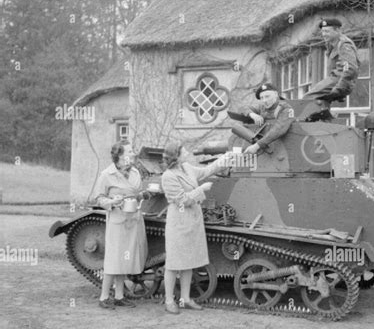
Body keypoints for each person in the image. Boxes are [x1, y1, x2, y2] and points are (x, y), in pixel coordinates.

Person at [160, 142, 228, 315]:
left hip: (192, 221)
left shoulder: (187, 168)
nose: (187, 152)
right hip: (179, 223)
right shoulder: (168, 176)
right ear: (176, 156)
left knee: (188, 262)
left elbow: (206, 171)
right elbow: (182, 200)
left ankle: (186, 298)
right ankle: (169, 300)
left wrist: (226, 158)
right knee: (174, 263)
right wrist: (201, 189)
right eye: (184, 151)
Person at [96, 141, 151, 309]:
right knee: (114, 259)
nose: (133, 153)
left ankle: (119, 296)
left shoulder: (135, 172)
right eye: (130, 151)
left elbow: (135, 194)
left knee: (124, 259)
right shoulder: (107, 174)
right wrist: (112, 202)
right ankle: (104, 297)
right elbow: (99, 198)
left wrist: (144, 195)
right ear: (120, 155)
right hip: (117, 221)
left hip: (133, 220)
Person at [304, 18, 360, 118]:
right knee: (319, 100)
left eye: (327, 31)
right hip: (334, 79)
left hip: (338, 80)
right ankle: (324, 119)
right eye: (322, 32)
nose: (324, 34)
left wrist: (340, 88)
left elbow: (350, 69)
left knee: (308, 98)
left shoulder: (344, 45)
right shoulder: (332, 44)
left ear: (337, 30)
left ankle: (309, 124)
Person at [242, 83, 294, 154]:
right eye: (262, 98)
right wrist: (252, 114)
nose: (264, 100)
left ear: (276, 94)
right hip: (265, 149)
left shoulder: (285, 108)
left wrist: (257, 146)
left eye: (267, 96)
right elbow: (243, 108)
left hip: (280, 150)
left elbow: (279, 129)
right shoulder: (262, 107)